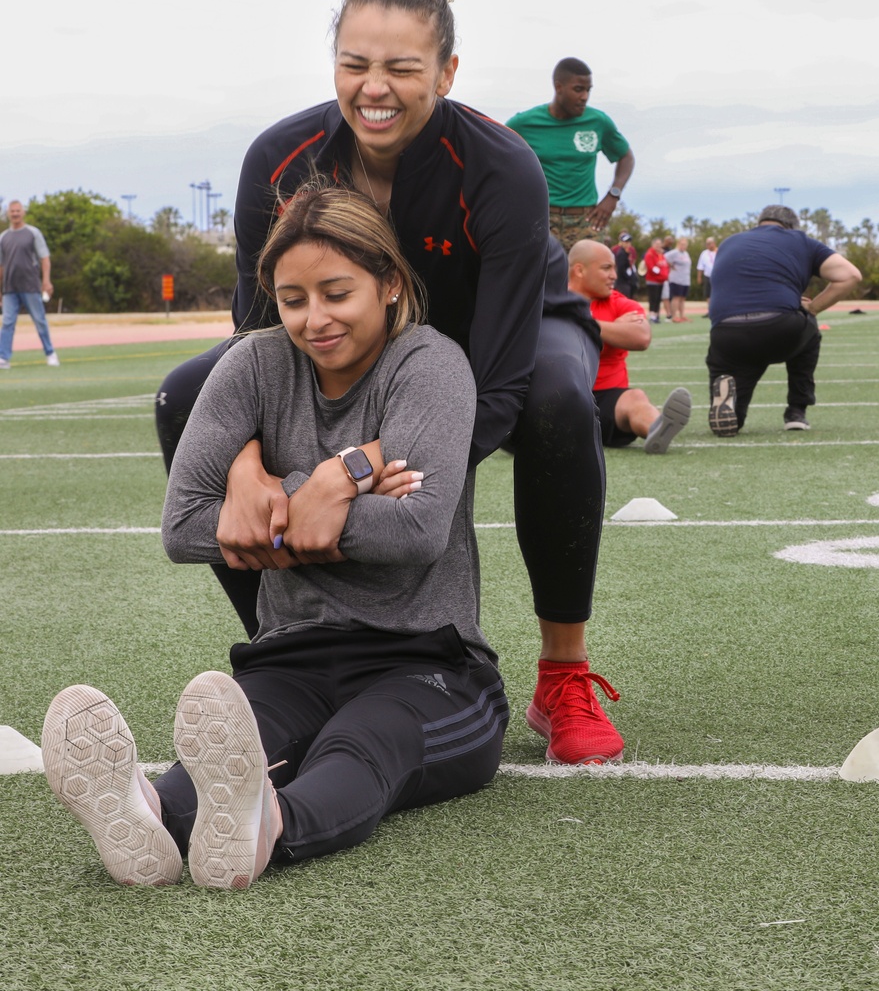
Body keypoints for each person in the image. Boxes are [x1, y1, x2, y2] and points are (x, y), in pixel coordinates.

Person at [153, 0, 624, 767]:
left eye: (403, 69)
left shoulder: (502, 167)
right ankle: (293, 654)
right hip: (361, 344)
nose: (376, 89)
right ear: (333, 61)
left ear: (446, 72)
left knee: (557, 403)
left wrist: (361, 478)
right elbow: (257, 347)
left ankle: (564, 673)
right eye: (355, 65)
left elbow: (501, 384)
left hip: (502, 341)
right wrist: (248, 473)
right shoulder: (279, 159)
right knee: (187, 393)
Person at [42, 186, 509, 889]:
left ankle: (271, 826)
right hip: (290, 654)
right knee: (231, 749)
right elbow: (185, 526)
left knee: (363, 744)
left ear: (387, 284)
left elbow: (417, 529)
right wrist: (323, 498)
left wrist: (285, 494)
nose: (314, 320)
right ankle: (145, 812)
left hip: (430, 665)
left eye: (336, 293)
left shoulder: (431, 365)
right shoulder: (252, 365)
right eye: (294, 300)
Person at [705, 205, 862, 435]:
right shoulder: (800, 240)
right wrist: (814, 307)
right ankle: (796, 411)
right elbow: (850, 275)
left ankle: (731, 412)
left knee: (735, 373)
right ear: (791, 227)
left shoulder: (729, 242)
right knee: (809, 328)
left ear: (760, 222)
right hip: (778, 328)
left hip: (726, 334)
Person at [567, 240, 691, 453]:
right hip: (562, 397)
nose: (614, 275)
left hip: (608, 399)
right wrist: (612, 329)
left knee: (635, 398)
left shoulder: (619, 302)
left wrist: (586, 323)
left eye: (614, 268)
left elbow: (641, 337)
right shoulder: (549, 300)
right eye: (606, 268)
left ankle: (656, 429)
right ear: (580, 270)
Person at [506, 58, 635, 250]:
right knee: (542, 279)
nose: (584, 96)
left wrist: (613, 196)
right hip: (542, 219)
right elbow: (495, 157)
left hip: (586, 221)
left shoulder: (598, 122)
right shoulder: (524, 123)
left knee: (591, 276)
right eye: (578, 89)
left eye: (588, 90)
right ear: (559, 87)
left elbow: (626, 157)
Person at [0, 200, 59, 369]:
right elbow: (1, 266)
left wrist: (46, 280)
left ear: (23, 212)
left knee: (39, 320)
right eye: (12, 211)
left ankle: (50, 353)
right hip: (10, 288)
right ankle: (3, 357)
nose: (15, 214)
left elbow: (44, 258)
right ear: (8, 214)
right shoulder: (3, 237)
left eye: (18, 211)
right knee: (8, 322)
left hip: (31, 286)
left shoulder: (33, 233)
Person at [664, 237, 692, 322]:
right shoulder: (674, 252)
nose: (684, 246)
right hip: (676, 279)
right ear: (678, 244)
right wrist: (671, 266)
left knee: (683, 298)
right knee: (676, 297)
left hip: (685, 279)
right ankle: (674, 316)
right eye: (682, 244)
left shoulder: (686, 253)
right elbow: (664, 257)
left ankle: (682, 315)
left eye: (685, 244)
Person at [643, 238, 668, 323]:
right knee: (653, 299)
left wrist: (665, 275)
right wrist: (661, 273)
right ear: (653, 245)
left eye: (659, 244)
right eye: (656, 244)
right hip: (652, 280)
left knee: (658, 299)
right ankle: (652, 315)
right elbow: (651, 267)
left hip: (661, 281)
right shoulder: (649, 254)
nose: (658, 246)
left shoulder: (661, 254)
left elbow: (664, 265)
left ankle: (657, 315)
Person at [611, 230, 638, 298]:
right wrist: (628, 277)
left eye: (629, 242)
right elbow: (621, 269)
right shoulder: (621, 254)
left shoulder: (626, 252)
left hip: (626, 281)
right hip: (622, 282)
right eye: (626, 242)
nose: (628, 244)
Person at [696, 237, 717, 318]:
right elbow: (700, 266)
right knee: (708, 294)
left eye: (710, 243)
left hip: (717, 276)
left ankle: (717, 310)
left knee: (717, 293)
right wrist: (699, 277)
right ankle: (710, 311)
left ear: (714, 243)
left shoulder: (719, 251)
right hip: (708, 276)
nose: (709, 246)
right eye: (707, 244)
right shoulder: (704, 253)